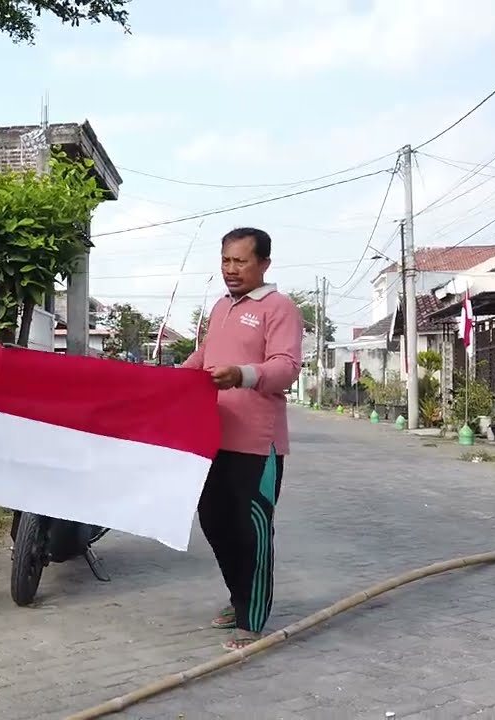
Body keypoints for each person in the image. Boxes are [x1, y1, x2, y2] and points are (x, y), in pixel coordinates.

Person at [182, 227, 303, 650]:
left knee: (251, 528)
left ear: (264, 264)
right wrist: (171, 378)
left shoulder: (279, 307)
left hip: (257, 442)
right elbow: (205, 357)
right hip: (212, 436)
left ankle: (252, 620)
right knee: (214, 521)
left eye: (240, 261)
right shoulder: (220, 308)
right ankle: (239, 596)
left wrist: (242, 375)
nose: (231, 270)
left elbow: (287, 366)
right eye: (226, 260)